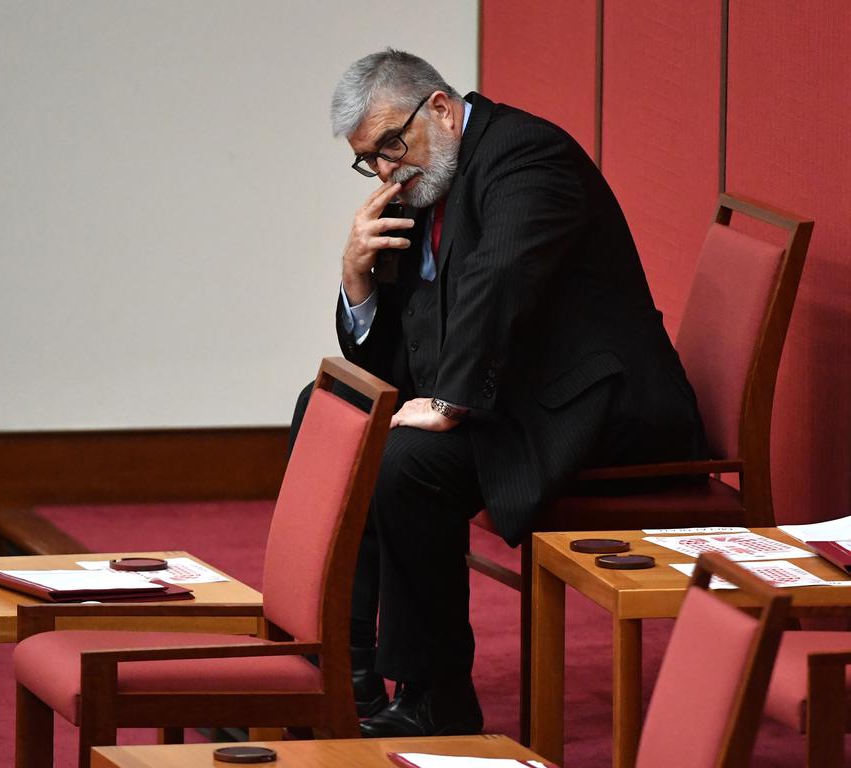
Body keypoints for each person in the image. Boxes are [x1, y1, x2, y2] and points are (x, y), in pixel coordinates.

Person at [292, 48, 706, 738]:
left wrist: (448, 401)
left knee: (408, 464)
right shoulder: (426, 179)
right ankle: (341, 669)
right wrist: (356, 278)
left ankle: (436, 696)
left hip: (597, 406)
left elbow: (499, 281)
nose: (387, 170)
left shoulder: (528, 158)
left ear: (442, 109)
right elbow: (404, 345)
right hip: (511, 389)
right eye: (372, 159)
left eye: (392, 145)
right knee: (329, 412)